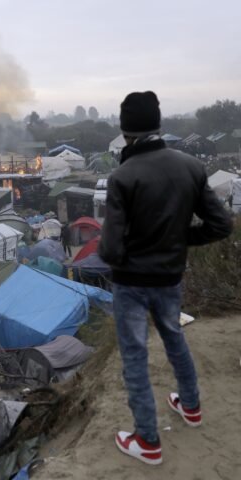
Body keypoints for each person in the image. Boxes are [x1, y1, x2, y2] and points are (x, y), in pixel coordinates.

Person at [98, 91, 232, 465]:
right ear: (158, 125)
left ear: (126, 132)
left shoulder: (122, 176)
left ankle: (148, 441)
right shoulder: (190, 166)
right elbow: (221, 224)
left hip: (131, 284)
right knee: (175, 339)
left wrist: (124, 253)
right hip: (170, 277)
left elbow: (109, 249)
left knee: (136, 357)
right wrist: (179, 240)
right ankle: (191, 407)